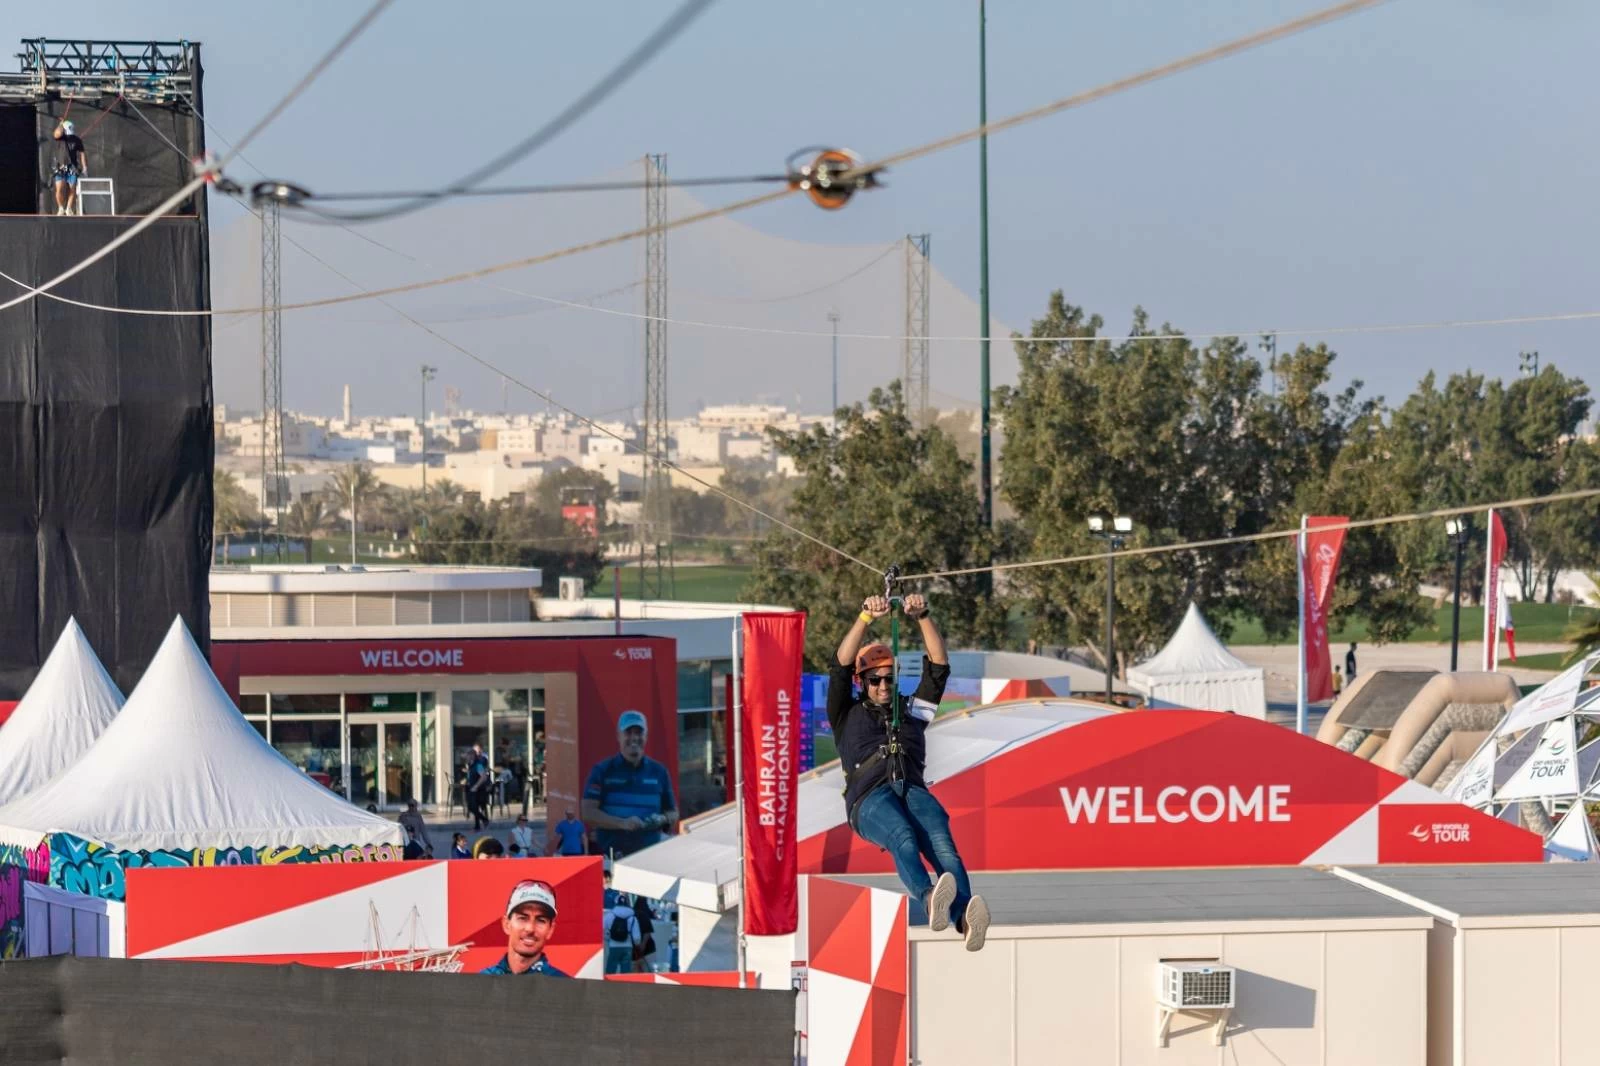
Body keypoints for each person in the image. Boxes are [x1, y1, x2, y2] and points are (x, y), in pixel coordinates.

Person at [830, 592, 989, 952]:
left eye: (888, 679)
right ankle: (928, 895)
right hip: (869, 800)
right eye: (874, 680)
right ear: (861, 682)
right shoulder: (845, 714)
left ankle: (964, 917)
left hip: (911, 788)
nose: (883, 686)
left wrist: (922, 616)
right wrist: (865, 618)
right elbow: (838, 665)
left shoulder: (912, 710)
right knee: (902, 833)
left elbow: (938, 666)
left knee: (943, 844)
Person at [582, 710, 677, 858]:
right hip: (611, 858)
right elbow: (588, 813)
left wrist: (662, 819)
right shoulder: (602, 771)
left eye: (639, 733)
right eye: (628, 732)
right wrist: (622, 823)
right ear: (618, 736)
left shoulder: (660, 772)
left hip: (651, 857)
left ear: (646, 736)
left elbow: (673, 812)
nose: (634, 738)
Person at [480, 879, 568, 976]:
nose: (530, 928)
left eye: (540, 920)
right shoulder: (482, 982)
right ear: (506, 924)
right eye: (522, 918)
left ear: (550, 930)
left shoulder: (566, 988)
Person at [51, 120, 87, 216]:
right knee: (59, 189)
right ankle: (61, 208)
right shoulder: (60, 137)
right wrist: (60, 124)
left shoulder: (77, 140)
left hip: (72, 167)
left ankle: (69, 208)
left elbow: (82, 153)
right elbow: (56, 134)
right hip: (60, 166)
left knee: (72, 188)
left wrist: (84, 167)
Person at [604, 895, 641, 975]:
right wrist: (637, 944)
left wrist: (608, 938)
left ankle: (608, 986)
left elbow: (603, 930)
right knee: (626, 972)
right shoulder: (633, 918)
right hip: (628, 947)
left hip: (613, 946)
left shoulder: (609, 915)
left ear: (616, 903)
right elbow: (637, 937)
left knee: (610, 970)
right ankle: (625, 986)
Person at [631, 892, 658, 972]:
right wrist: (643, 945)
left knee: (635, 972)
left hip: (635, 950)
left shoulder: (631, 915)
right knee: (649, 972)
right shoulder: (644, 914)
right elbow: (648, 932)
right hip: (648, 949)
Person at [467, 744, 491, 831]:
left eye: (469, 756)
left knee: (473, 807)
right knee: (473, 807)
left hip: (478, 789)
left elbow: (484, 776)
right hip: (472, 788)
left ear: (473, 756)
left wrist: (476, 786)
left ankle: (484, 820)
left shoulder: (478, 765)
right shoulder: (471, 765)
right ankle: (477, 826)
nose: (467, 758)